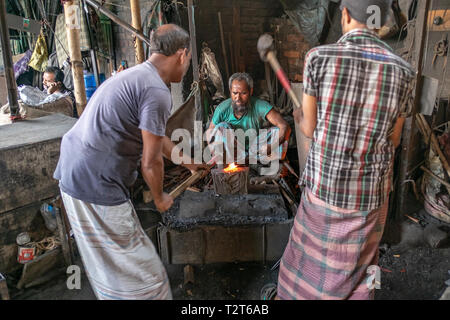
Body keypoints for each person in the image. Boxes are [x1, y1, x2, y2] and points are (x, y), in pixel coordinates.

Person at [53, 24, 205, 300]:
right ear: (182, 55)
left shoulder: (136, 76)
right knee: (147, 278)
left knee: (109, 267)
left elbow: (157, 139)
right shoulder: (157, 92)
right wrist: (160, 198)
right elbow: (150, 162)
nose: (187, 66)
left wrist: (188, 162)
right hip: (95, 181)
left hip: (73, 172)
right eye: (189, 59)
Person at [276, 0, 415, 300]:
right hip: (371, 196)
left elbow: (310, 130)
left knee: (307, 265)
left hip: (325, 189)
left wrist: (300, 117)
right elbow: (394, 140)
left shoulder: (319, 57)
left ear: (346, 14)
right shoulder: (403, 71)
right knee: (362, 269)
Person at [207, 72, 291, 167]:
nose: (238, 98)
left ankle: (250, 161)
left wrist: (272, 146)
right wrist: (215, 153)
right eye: (235, 93)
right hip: (233, 153)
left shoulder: (259, 105)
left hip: (255, 149)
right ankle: (233, 163)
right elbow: (210, 133)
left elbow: (284, 125)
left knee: (278, 131)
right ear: (230, 91)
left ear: (250, 92)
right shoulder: (222, 108)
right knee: (221, 127)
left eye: (243, 93)